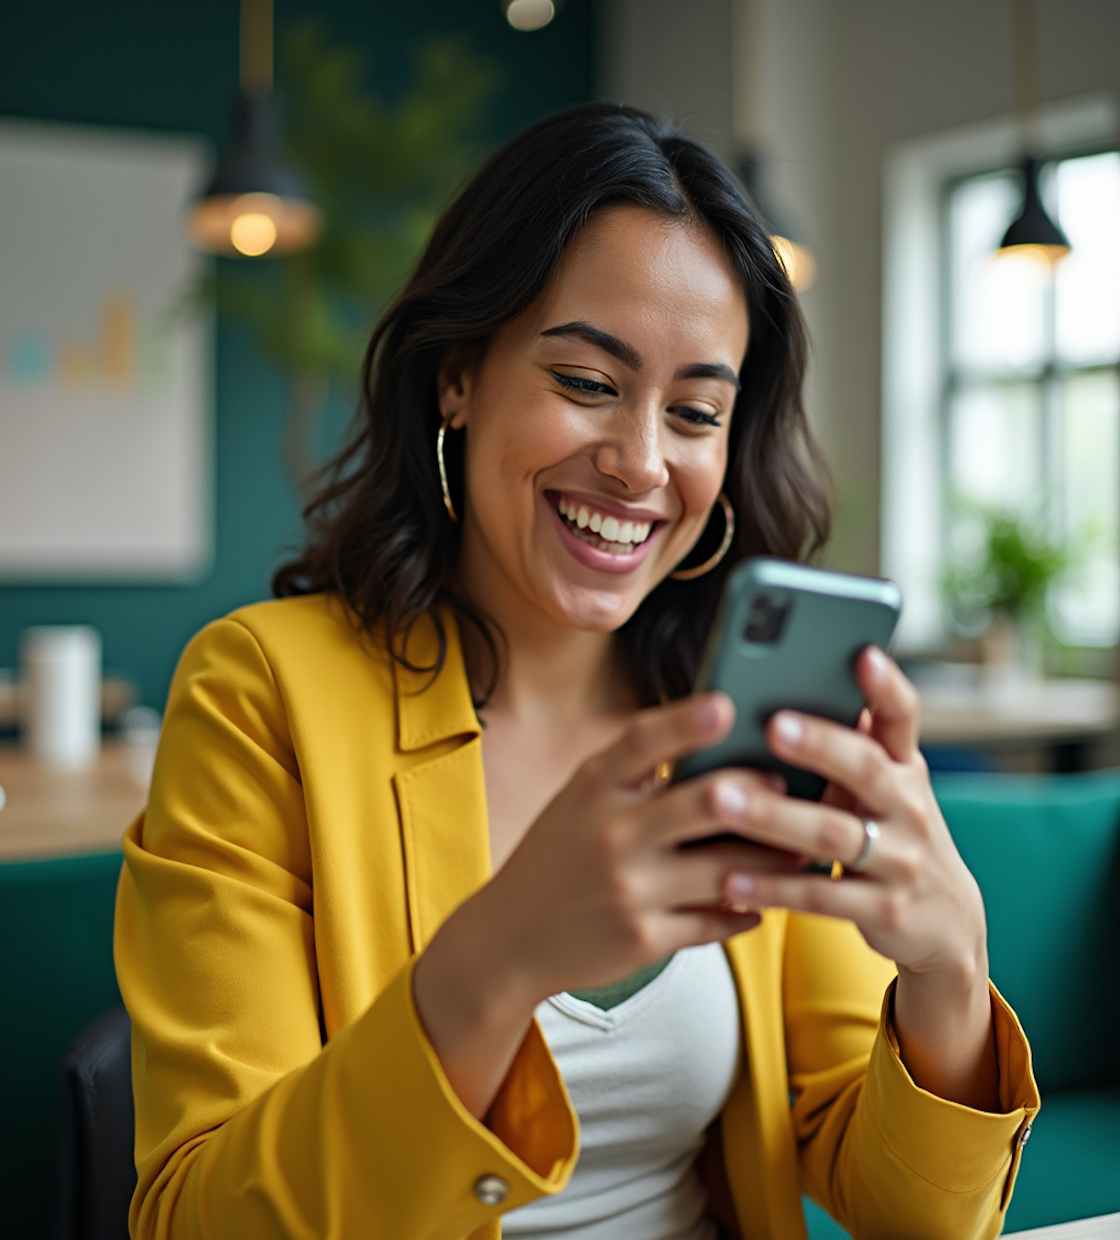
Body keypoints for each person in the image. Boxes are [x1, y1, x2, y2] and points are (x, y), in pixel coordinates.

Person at [114, 103, 1039, 1240]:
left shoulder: (728, 721)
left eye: (695, 411)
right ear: (457, 375)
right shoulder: (261, 693)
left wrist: (947, 972)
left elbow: (913, 1218)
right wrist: (499, 959)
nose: (640, 461)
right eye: (589, 383)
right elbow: (196, 1220)